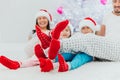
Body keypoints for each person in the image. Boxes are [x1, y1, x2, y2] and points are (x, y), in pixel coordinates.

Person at [0, 19, 69, 70]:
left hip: (54, 57)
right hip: (45, 53)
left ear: (71, 33)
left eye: (67, 30)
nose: (64, 32)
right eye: (62, 30)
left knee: (52, 48)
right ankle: (17, 64)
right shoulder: (53, 36)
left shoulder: (69, 41)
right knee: (32, 60)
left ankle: (45, 62)